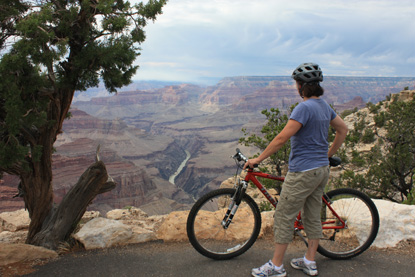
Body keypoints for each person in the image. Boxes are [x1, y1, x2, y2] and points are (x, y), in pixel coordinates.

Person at [244, 63, 349, 277]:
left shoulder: (304, 108)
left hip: (303, 172)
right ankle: (309, 262)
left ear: (302, 86)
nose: (296, 87)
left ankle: (276, 266)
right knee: (311, 215)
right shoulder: (323, 105)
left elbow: (282, 137)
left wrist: (258, 158)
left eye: (296, 84)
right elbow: (343, 129)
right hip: (320, 170)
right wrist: (327, 155)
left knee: (284, 215)